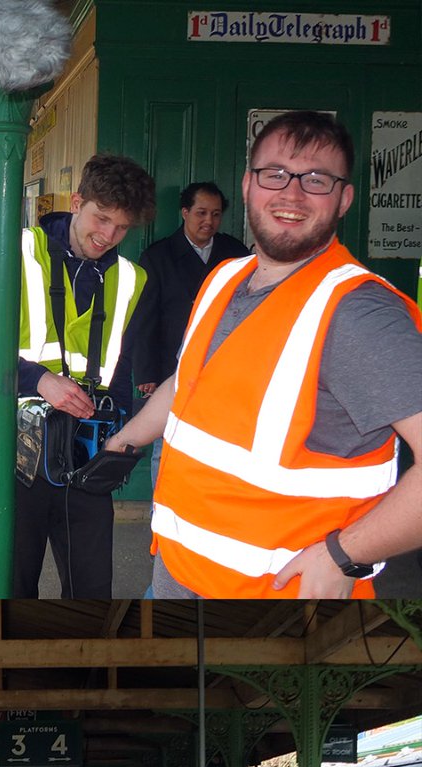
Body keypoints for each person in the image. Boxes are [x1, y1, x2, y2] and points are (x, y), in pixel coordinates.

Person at [107, 110, 422, 599]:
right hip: (175, 578)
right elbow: (186, 381)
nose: (291, 193)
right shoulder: (225, 278)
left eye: (316, 179)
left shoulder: (359, 312)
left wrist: (346, 553)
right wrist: (123, 443)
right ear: (249, 185)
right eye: (275, 174)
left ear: (345, 199)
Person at [0, 155, 155, 597]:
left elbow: (121, 371)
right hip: (15, 456)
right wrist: (41, 381)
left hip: (87, 458)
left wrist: (117, 439)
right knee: (12, 587)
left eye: (122, 227)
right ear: (77, 201)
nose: (108, 236)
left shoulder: (132, 278)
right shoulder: (17, 251)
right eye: (101, 219)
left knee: (91, 591)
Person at [132, 182, 250, 486]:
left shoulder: (235, 253)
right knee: (167, 445)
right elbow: (145, 319)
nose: (208, 221)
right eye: (200, 213)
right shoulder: (158, 257)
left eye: (215, 214)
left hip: (225, 368)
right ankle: (163, 511)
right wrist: (146, 372)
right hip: (174, 368)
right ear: (185, 213)